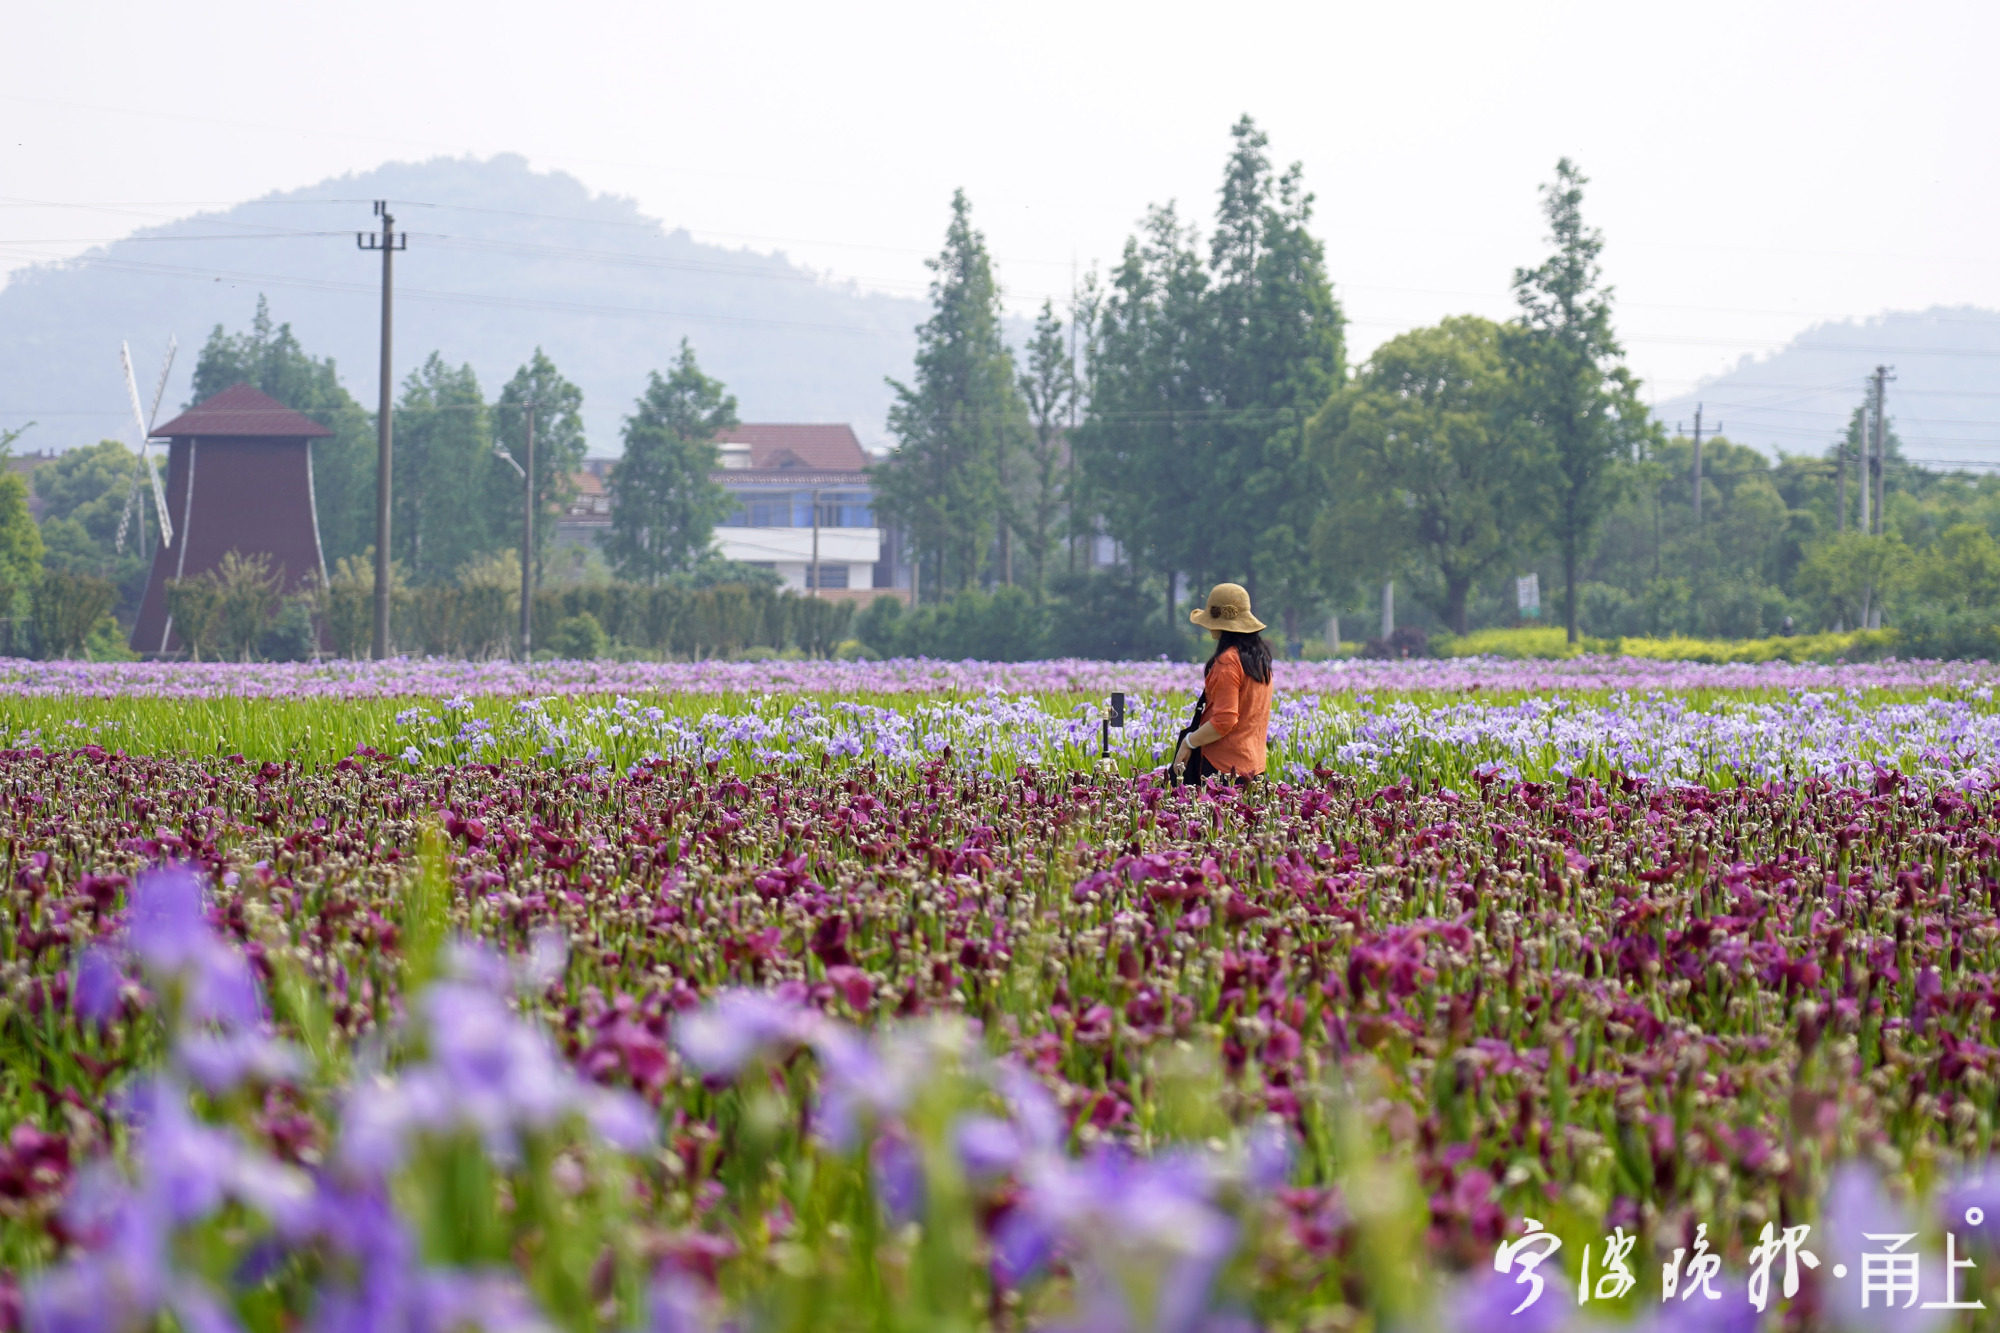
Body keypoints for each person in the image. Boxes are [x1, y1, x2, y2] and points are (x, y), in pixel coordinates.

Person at [1173, 582, 1274, 782]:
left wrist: (1189, 742)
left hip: (1223, 767)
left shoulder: (1228, 661)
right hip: (1254, 765)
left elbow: (1225, 720)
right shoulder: (1259, 660)